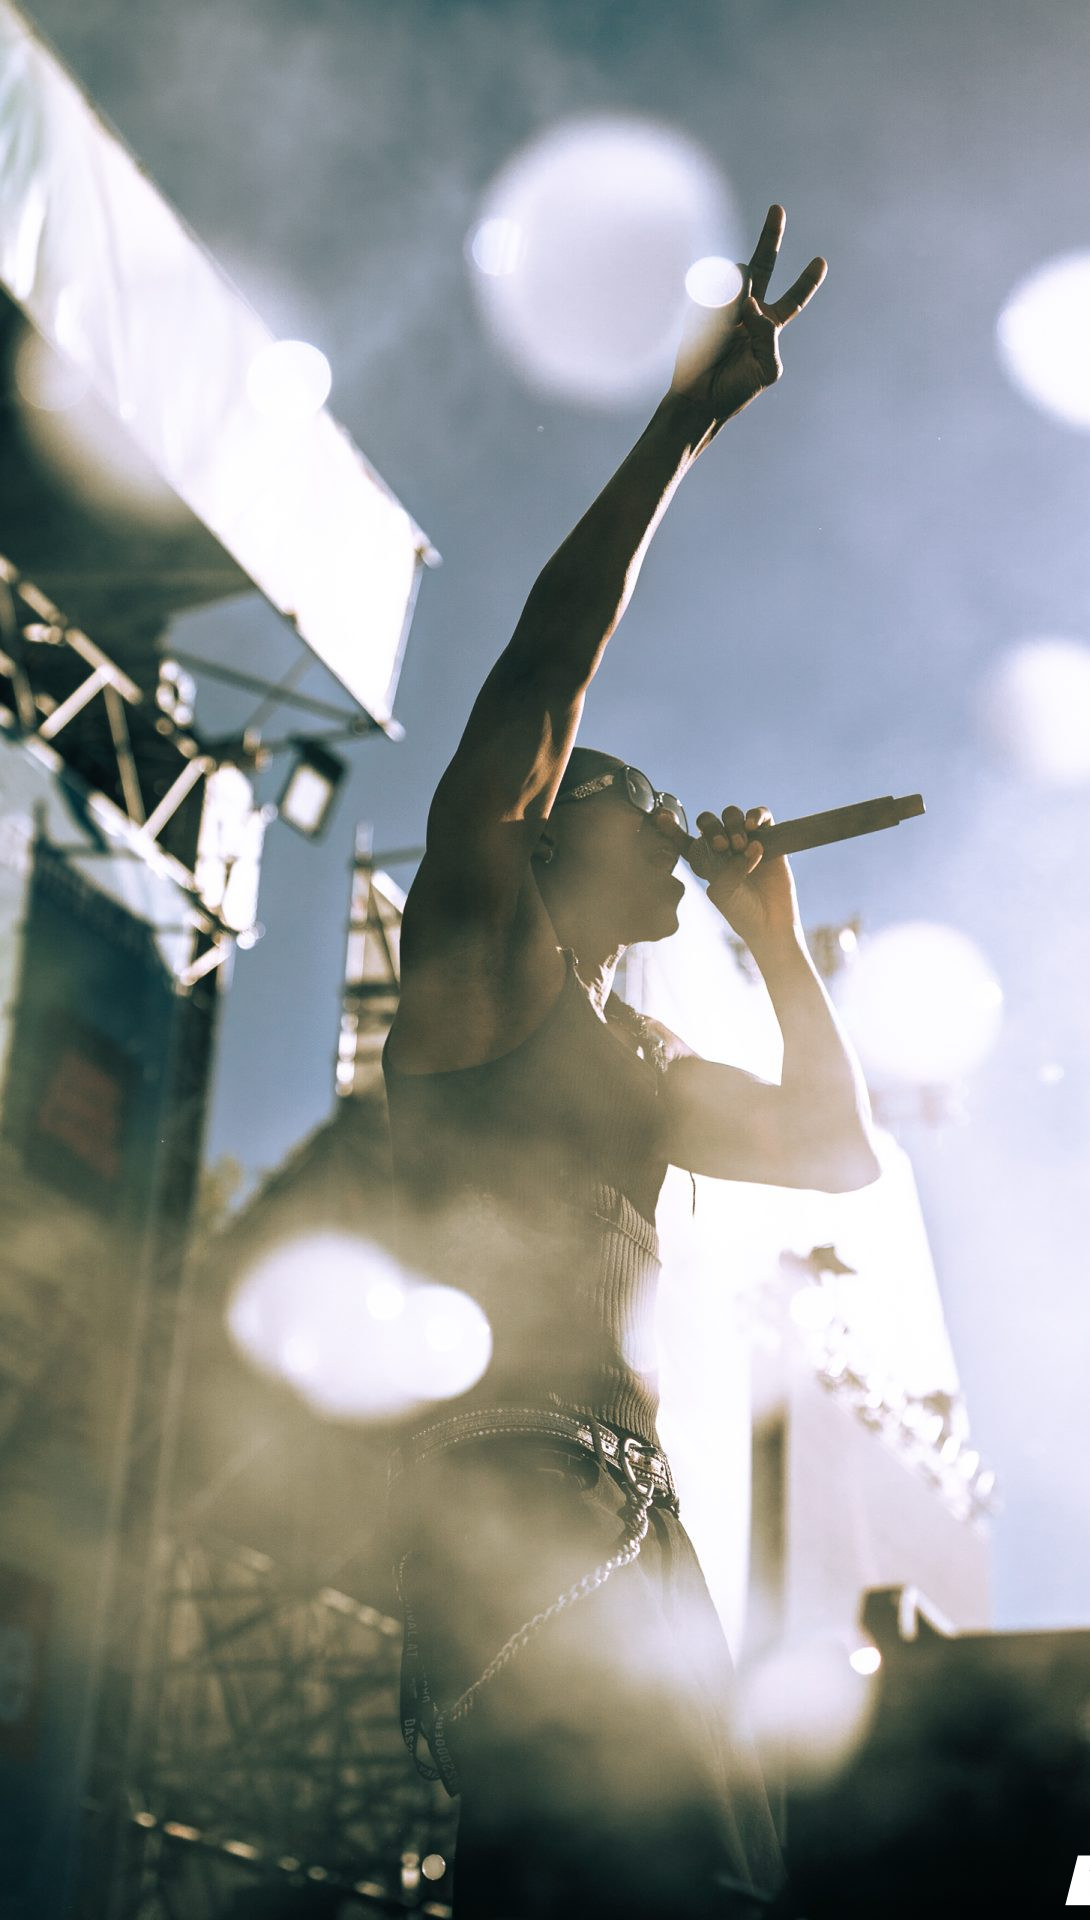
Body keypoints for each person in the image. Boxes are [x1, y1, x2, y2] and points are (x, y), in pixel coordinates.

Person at [384, 205, 880, 1919]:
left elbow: (834, 1150)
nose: (670, 819)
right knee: (589, 1877)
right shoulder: (479, 964)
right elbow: (546, 668)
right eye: (634, 799)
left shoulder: (640, 1059)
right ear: (546, 831)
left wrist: (773, 938)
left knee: (709, 1887)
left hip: (636, 1512)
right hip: (514, 1493)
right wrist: (683, 425)